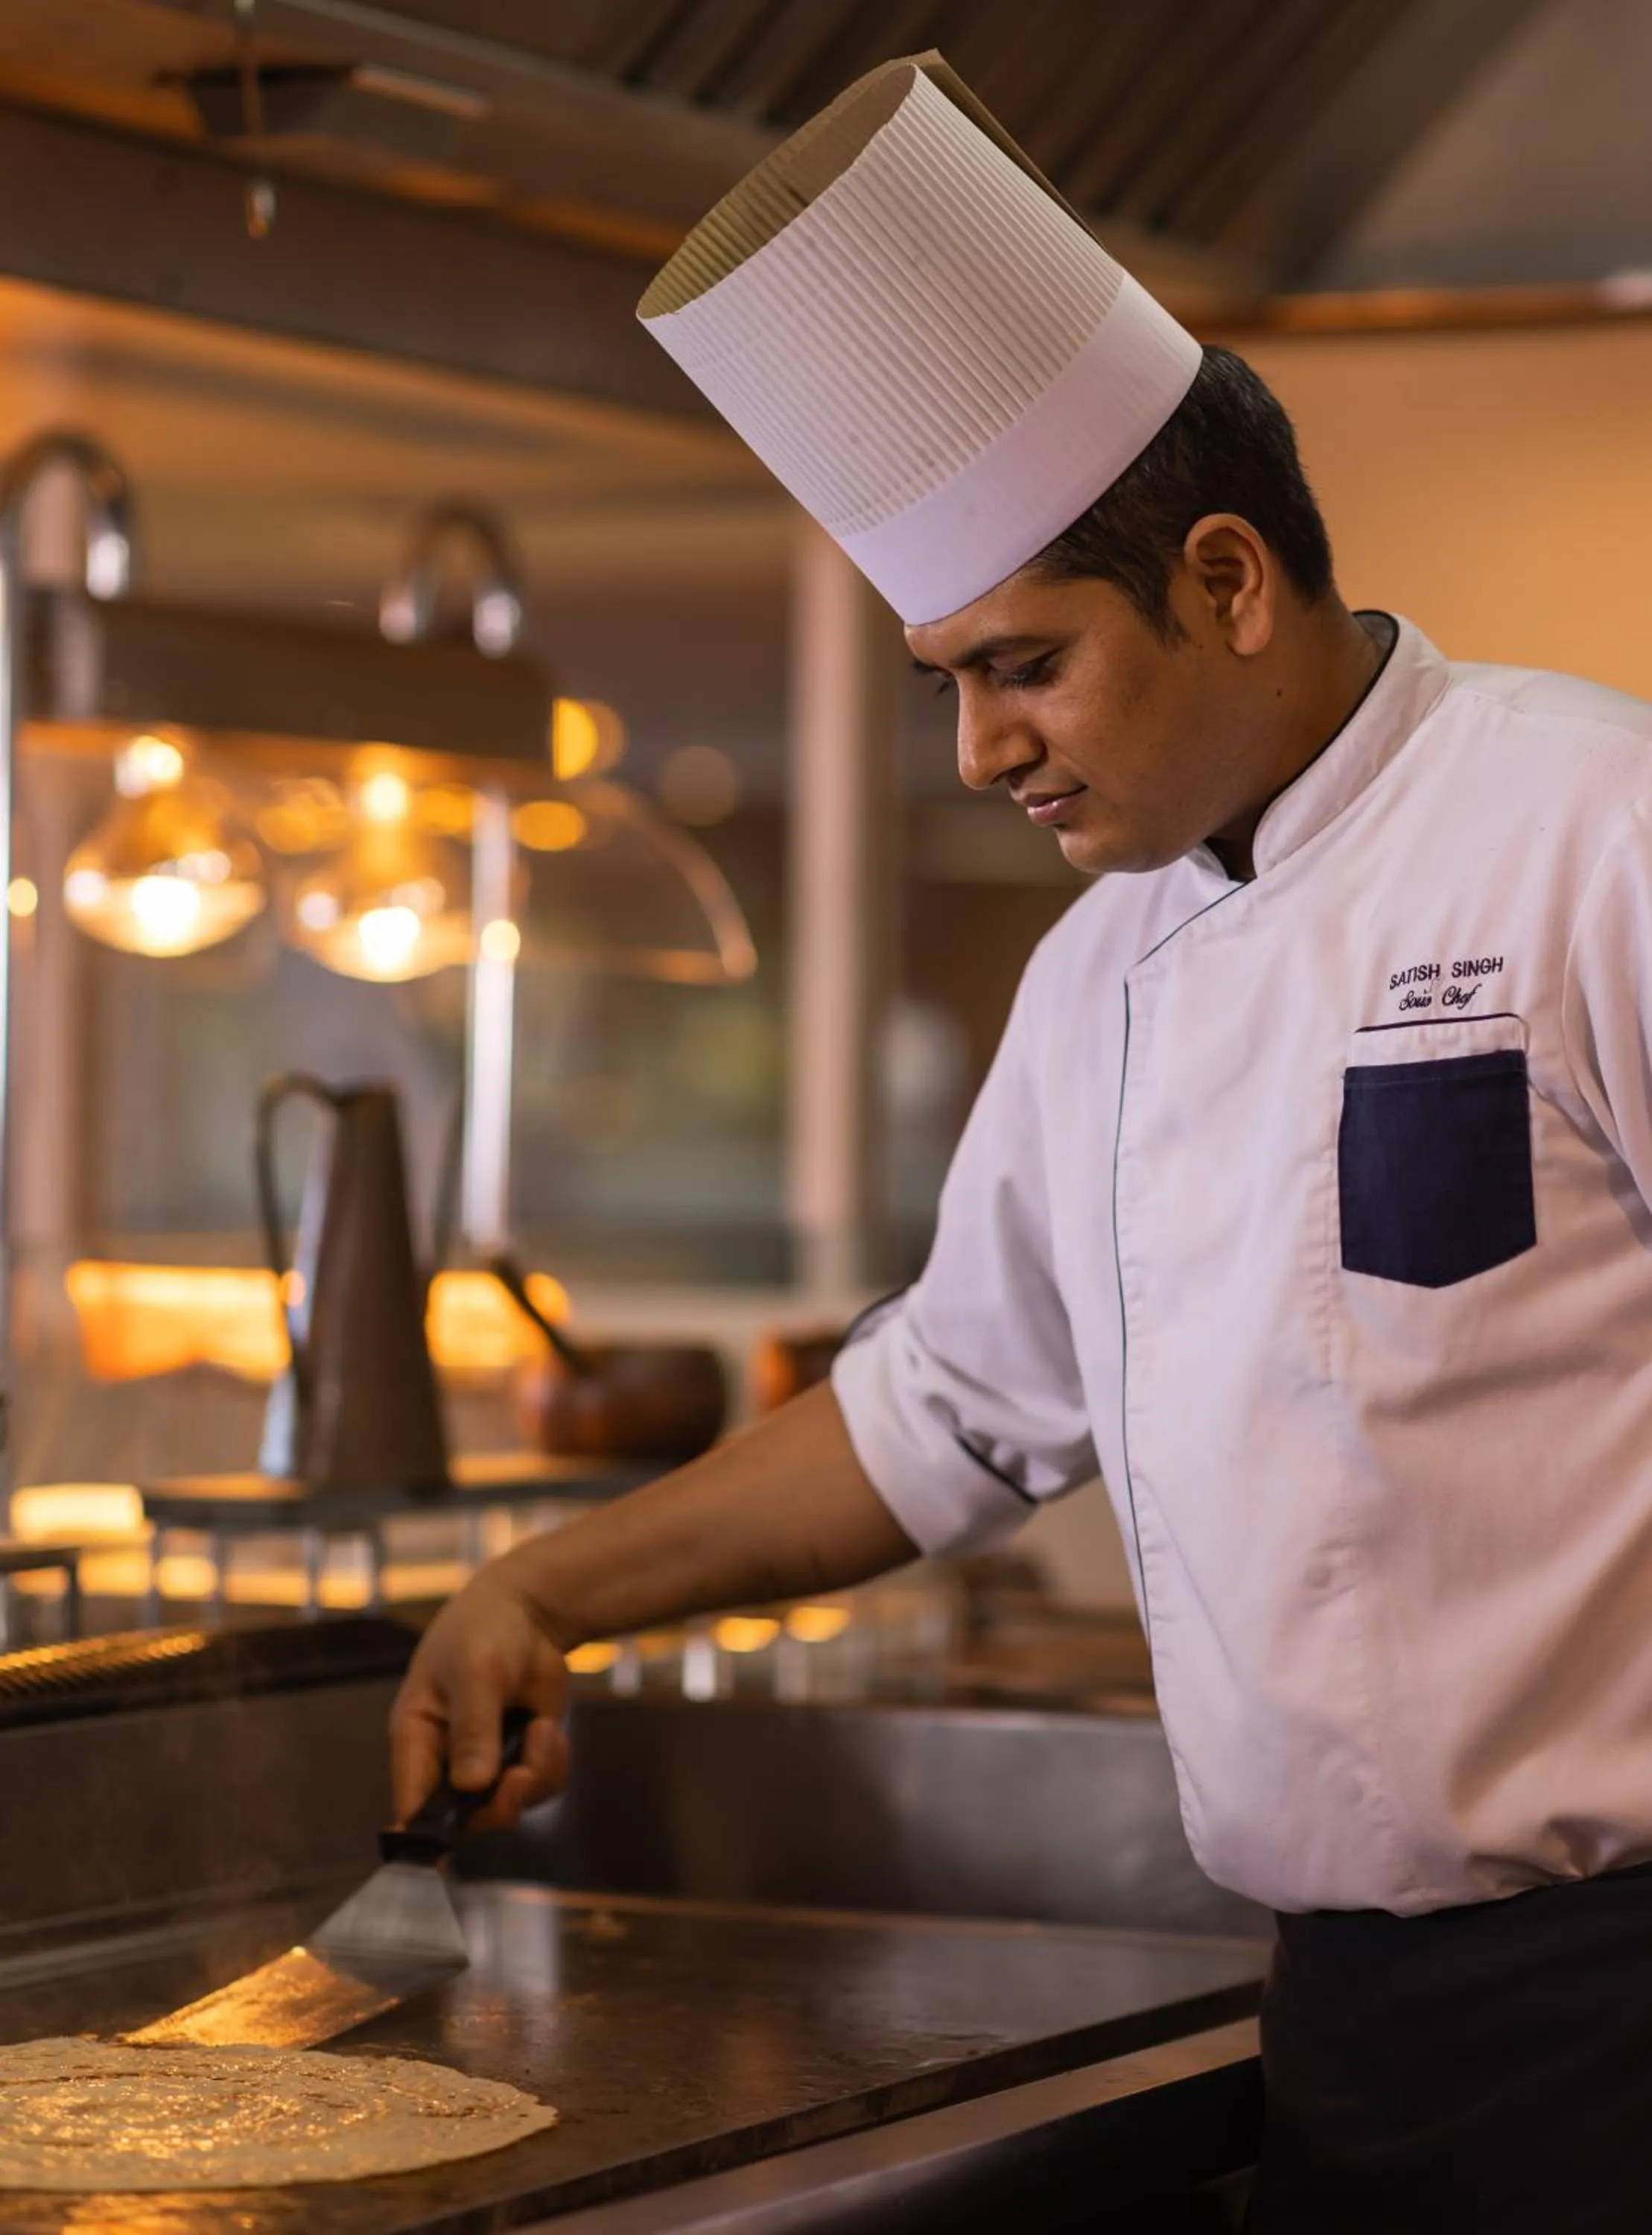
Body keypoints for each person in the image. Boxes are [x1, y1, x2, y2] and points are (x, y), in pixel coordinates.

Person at [392, 53, 1652, 2232]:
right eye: (943, 685)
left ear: (1233, 581)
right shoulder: (1104, 971)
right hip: (1351, 2020)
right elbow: (944, 1410)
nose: (982, 751)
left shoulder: (1594, 836)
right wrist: (542, 1587)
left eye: (1027, 668)